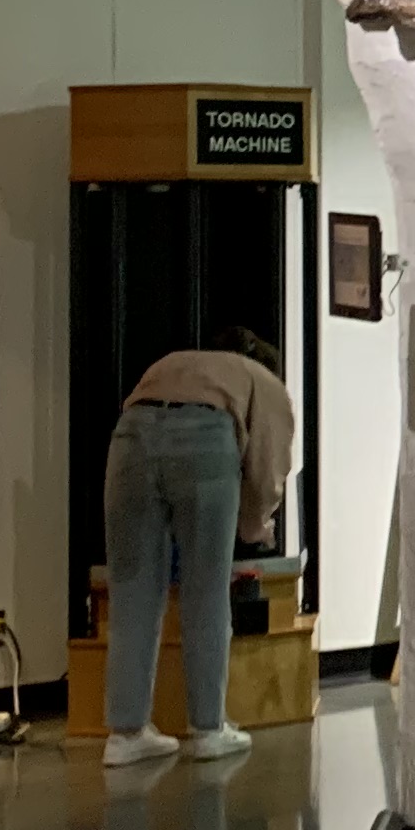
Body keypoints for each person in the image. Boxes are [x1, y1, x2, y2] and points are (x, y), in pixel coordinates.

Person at [98, 327, 292, 769]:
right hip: (204, 439)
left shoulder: (178, 361)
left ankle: (126, 734)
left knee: (131, 590)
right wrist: (257, 526)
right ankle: (208, 729)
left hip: (129, 439)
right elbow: (268, 468)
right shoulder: (264, 383)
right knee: (204, 591)